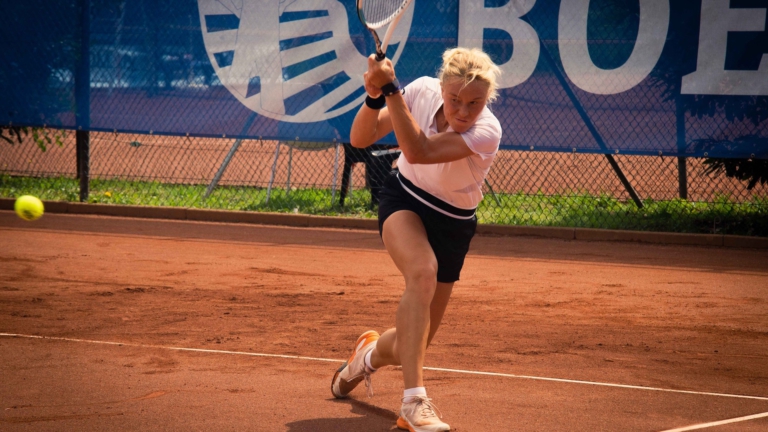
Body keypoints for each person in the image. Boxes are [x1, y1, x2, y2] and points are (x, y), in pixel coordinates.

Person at [331, 47, 502, 432]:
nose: (463, 111)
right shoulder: (422, 90)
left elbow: (419, 149)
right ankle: (413, 404)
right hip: (405, 200)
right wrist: (375, 96)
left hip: (453, 224)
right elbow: (360, 137)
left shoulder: (488, 131)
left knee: (414, 344)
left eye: (474, 103)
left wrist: (390, 88)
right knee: (423, 273)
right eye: (455, 99)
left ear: (486, 100)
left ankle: (365, 357)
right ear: (441, 88)